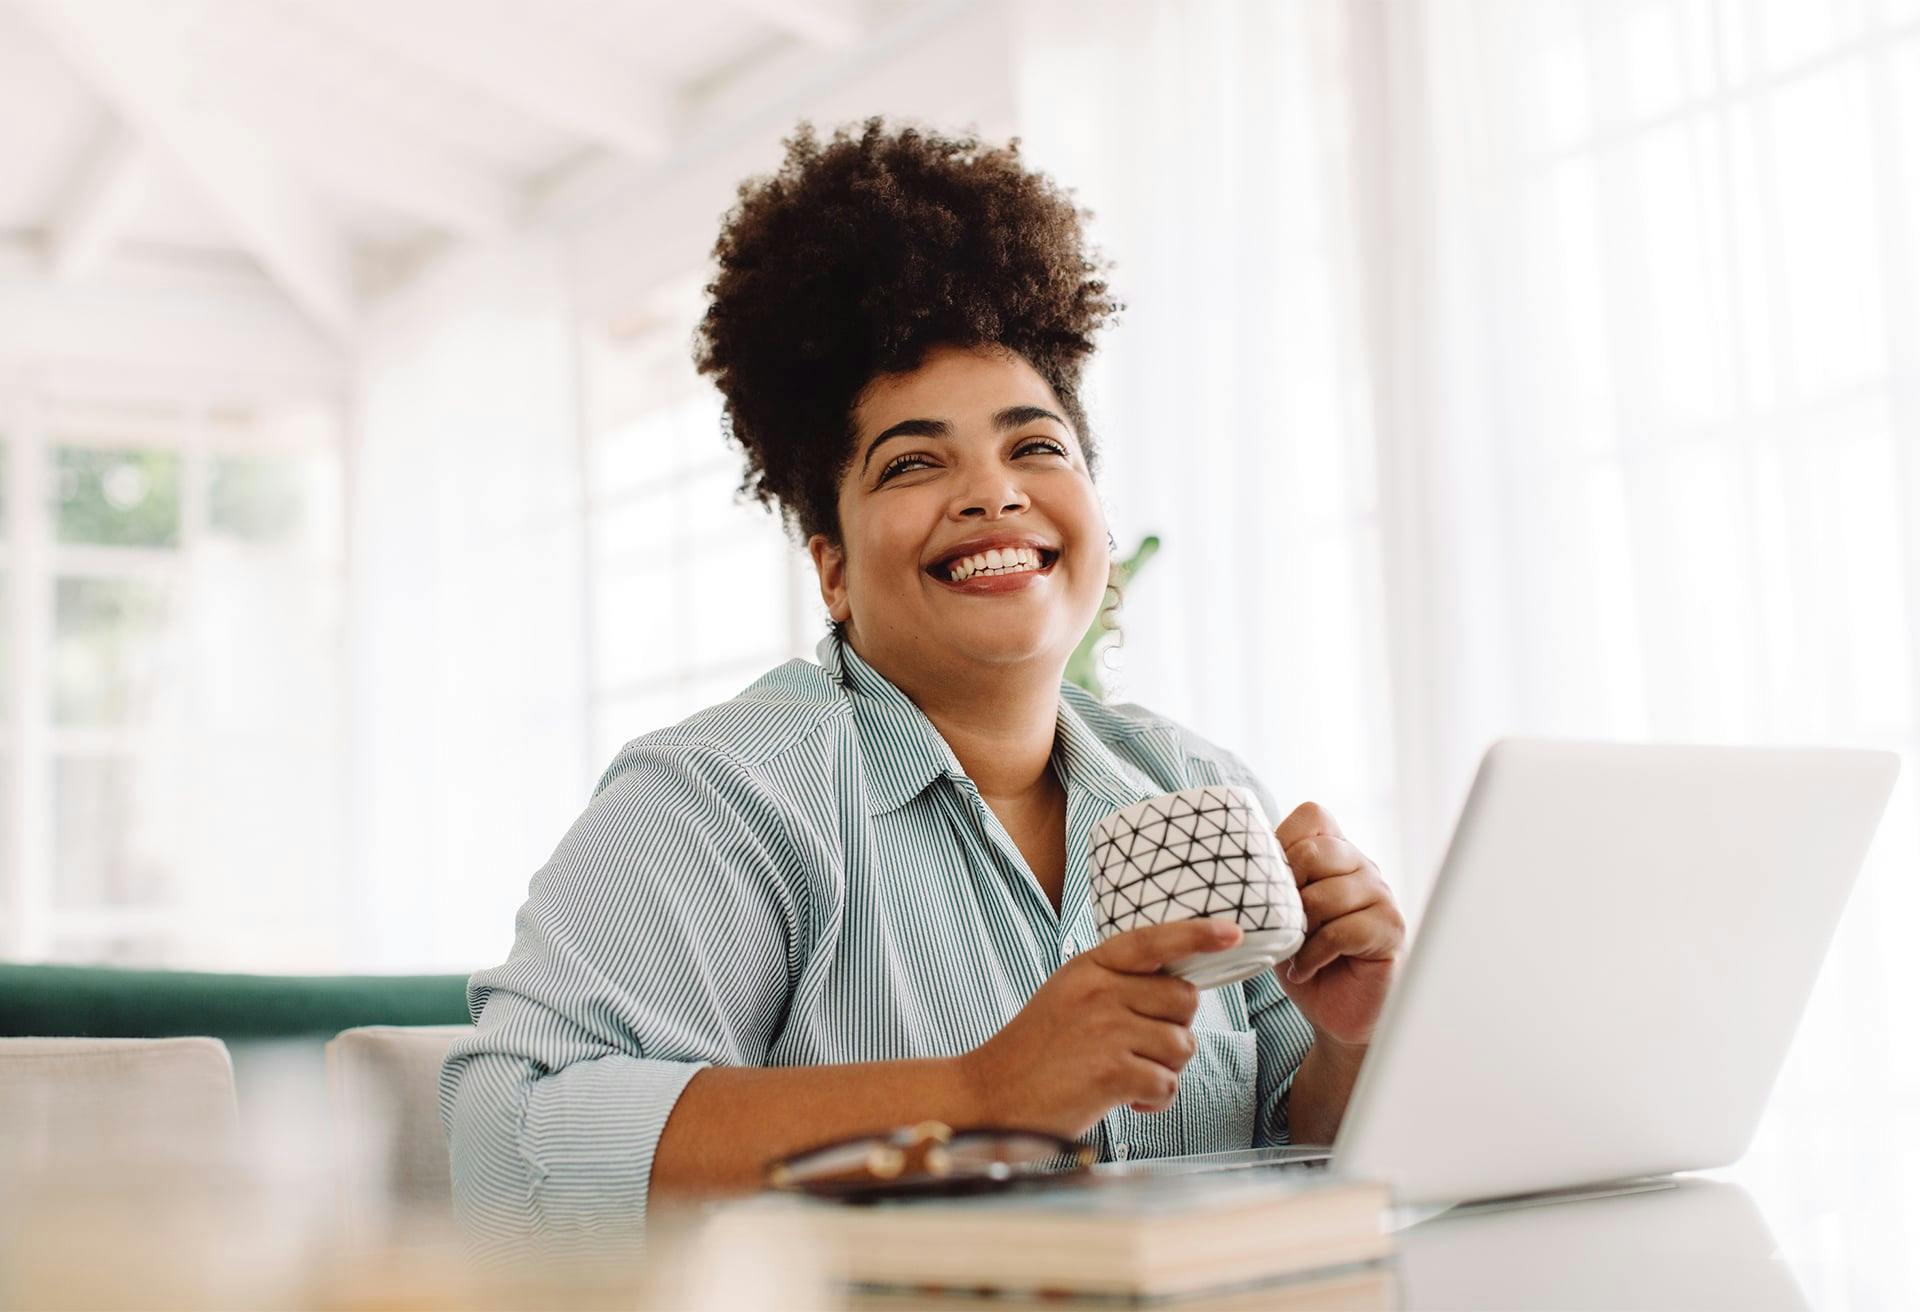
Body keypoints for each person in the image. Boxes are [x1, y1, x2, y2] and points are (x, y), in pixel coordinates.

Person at [441, 116, 1405, 1252]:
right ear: (832, 567)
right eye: (912, 461)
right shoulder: (721, 799)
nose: (992, 494)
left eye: (1035, 446)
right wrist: (980, 1093)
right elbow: (508, 1150)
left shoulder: (1195, 787)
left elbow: (1299, 1159)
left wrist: (1349, 1041)